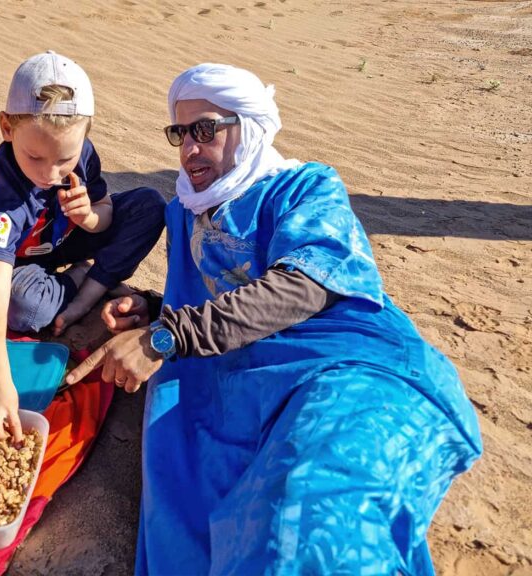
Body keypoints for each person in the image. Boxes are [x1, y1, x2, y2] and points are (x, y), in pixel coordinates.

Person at [66, 63, 483, 575]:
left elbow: (304, 284)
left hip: (347, 368)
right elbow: (220, 290)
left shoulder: (305, 188)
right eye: (181, 133)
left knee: (309, 518)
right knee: (225, 523)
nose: (190, 148)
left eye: (206, 129)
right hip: (240, 386)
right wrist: (155, 306)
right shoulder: (185, 211)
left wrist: (165, 336)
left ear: (250, 127)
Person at [0, 51, 165, 441]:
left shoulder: (83, 155)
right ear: (6, 127)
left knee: (149, 205)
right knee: (22, 306)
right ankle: (84, 278)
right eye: (35, 156)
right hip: (28, 261)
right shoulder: (5, 198)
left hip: (72, 236)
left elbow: (105, 212)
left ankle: (86, 291)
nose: (50, 173)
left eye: (65, 158)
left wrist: (89, 217)